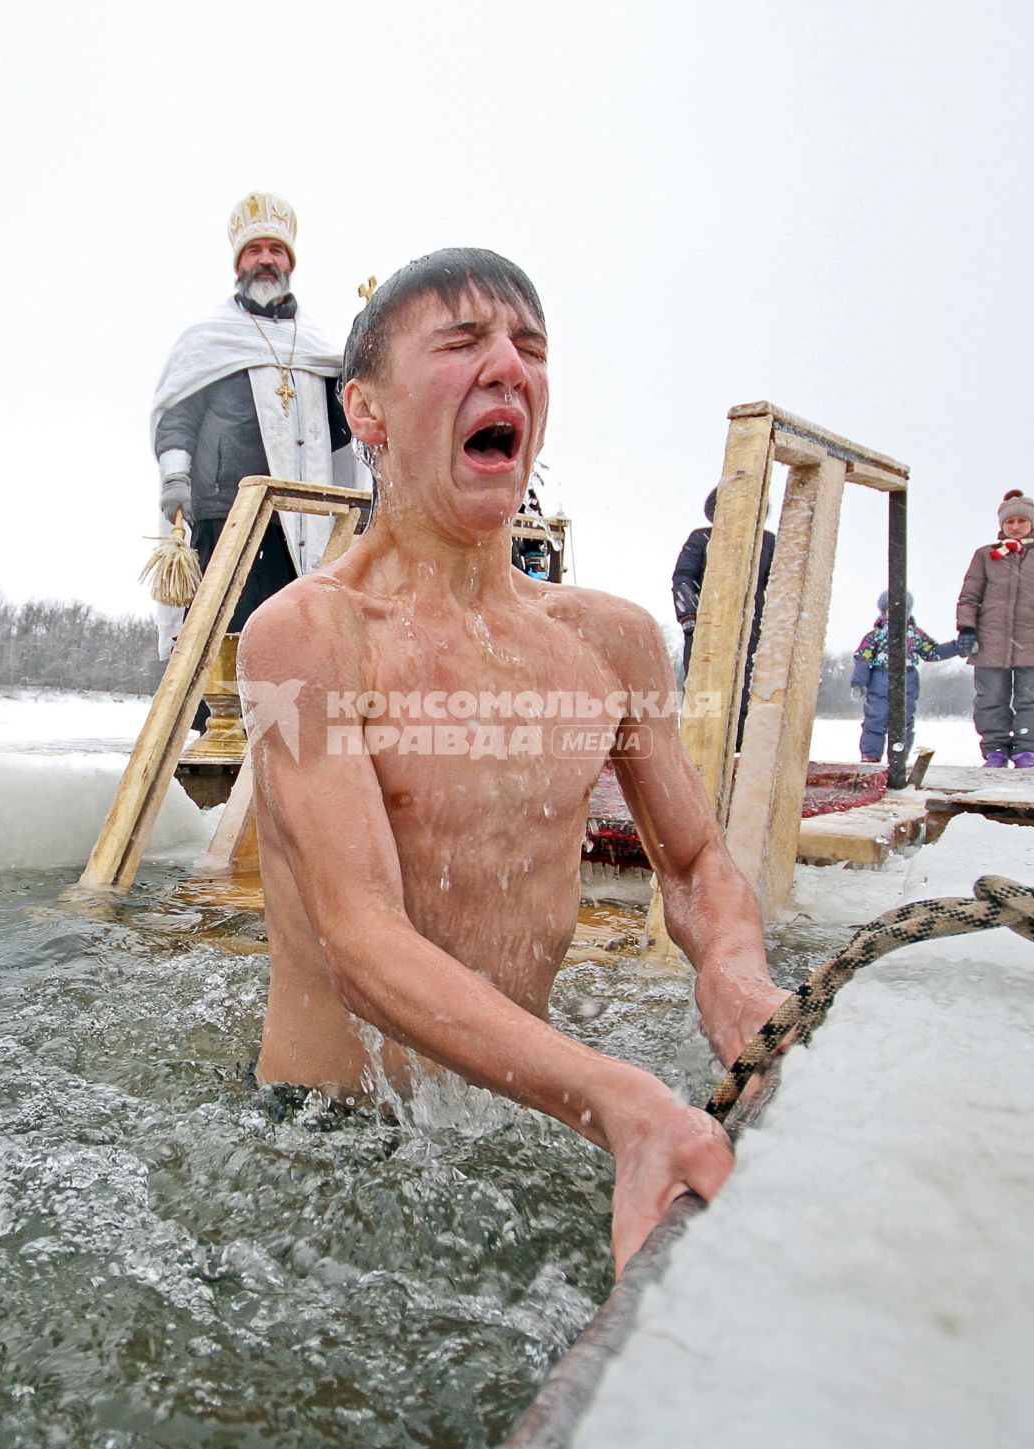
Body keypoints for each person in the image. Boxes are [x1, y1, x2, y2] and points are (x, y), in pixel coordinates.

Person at [225, 248, 791, 1276]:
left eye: (529, 349)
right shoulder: (304, 637)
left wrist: (734, 970)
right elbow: (358, 937)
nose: (507, 368)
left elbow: (695, 864)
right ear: (369, 410)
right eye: (459, 344)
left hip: (518, 1120)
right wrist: (617, 1098)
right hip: (331, 1142)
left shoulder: (609, 642)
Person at [149, 190, 361, 659]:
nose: (265, 260)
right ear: (238, 263)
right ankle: (216, 733)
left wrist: (365, 366)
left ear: (290, 262)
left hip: (299, 524)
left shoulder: (316, 345)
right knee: (220, 642)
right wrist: (176, 476)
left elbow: (345, 426)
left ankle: (286, 732)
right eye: (254, 250)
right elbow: (177, 417)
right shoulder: (208, 339)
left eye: (276, 250)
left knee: (289, 646)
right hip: (224, 515)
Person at [956, 489, 1034, 768]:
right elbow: (970, 595)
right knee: (990, 699)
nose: (1016, 526)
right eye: (1010, 522)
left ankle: (1027, 750)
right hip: (990, 642)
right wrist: (967, 628)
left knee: (1032, 699)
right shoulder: (985, 555)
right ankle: (995, 749)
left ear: (1031, 522)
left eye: (1021, 520)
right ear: (1002, 525)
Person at [671, 488, 775, 745]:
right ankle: (698, 748)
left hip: (752, 629)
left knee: (746, 688)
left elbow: (779, 584)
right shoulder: (702, 539)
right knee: (703, 689)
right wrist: (690, 619)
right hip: (706, 628)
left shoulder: (767, 542)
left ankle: (740, 750)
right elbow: (683, 578)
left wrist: (775, 626)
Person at [849, 592, 959, 763]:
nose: (895, 615)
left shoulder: (915, 635)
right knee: (875, 719)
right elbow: (863, 659)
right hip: (880, 679)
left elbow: (932, 652)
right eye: (890, 611)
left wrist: (957, 647)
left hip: (907, 680)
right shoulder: (875, 636)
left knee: (903, 721)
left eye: (901, 610)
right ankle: (870, 756)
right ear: (883, 612)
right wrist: (859, 683)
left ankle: (898, 757)